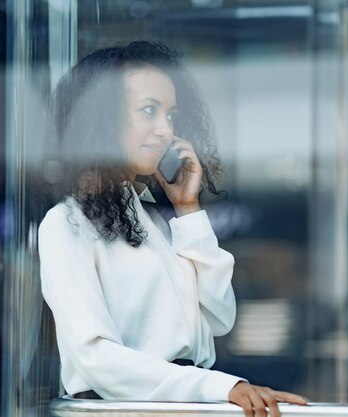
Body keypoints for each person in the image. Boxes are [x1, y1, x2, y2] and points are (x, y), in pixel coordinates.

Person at [38, 40, 307, 417]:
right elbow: (94, 358)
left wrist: (188, 209)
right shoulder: (66, 225)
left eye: (171, 115)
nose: (165, 130)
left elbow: (220, 317)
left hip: (183, 406)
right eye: (149, 111)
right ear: (102, 116)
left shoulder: (153, 219)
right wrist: (222, 387)